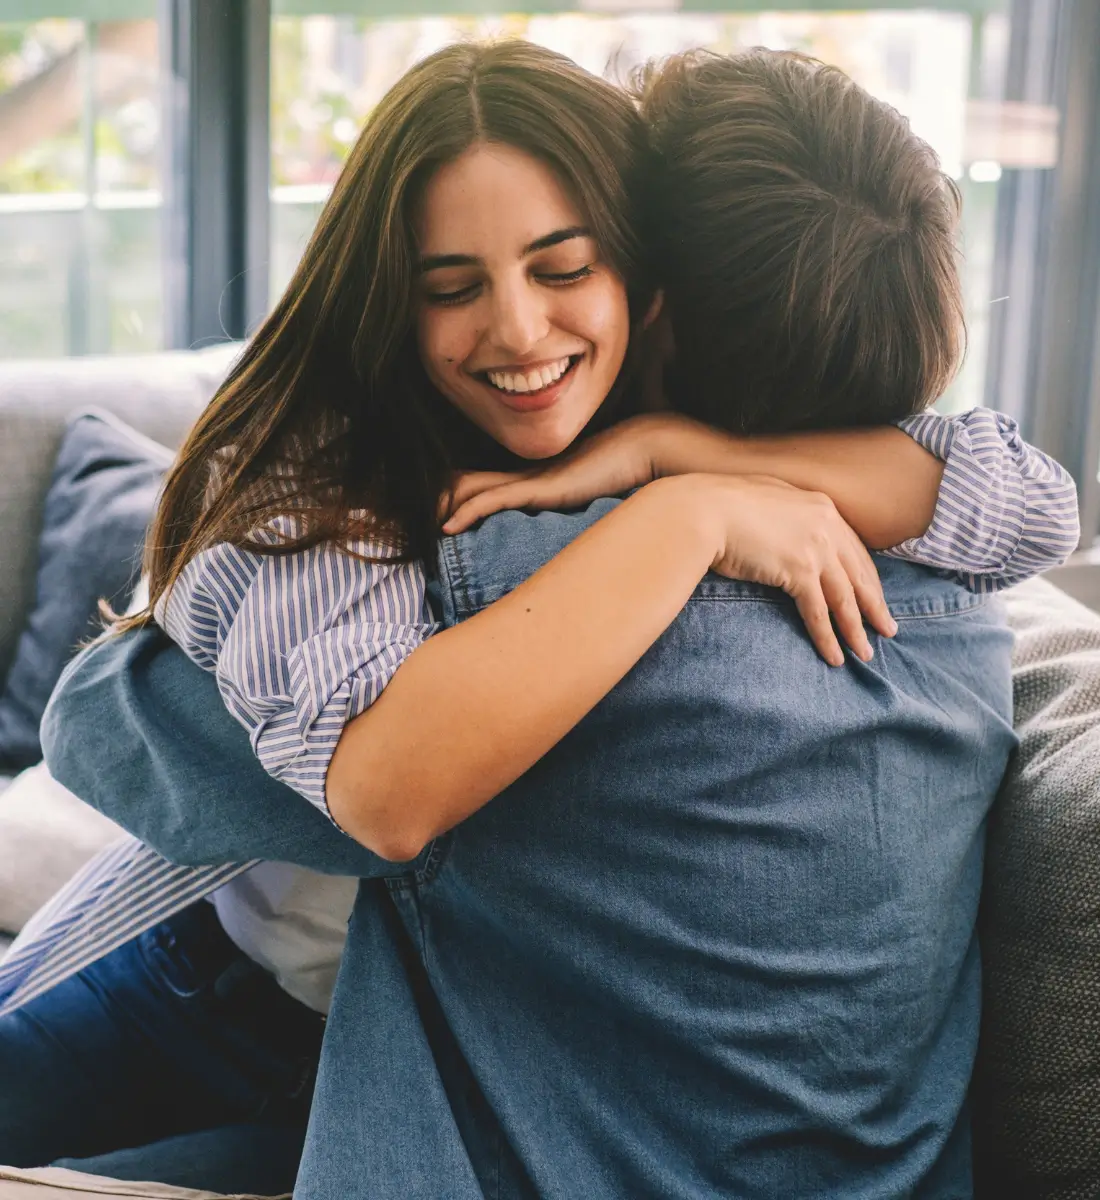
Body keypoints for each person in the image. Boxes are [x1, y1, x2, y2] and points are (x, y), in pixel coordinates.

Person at [1, 41, 1077, 1197]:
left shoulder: (723, 458)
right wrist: (689, 513)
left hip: (390, 1046)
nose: (518, 330)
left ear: (649, 285)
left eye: (565, 267)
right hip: (218, 982)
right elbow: (243, 754)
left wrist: (685, 463)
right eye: (450, 286)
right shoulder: (368, 499)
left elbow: (1026, 503)